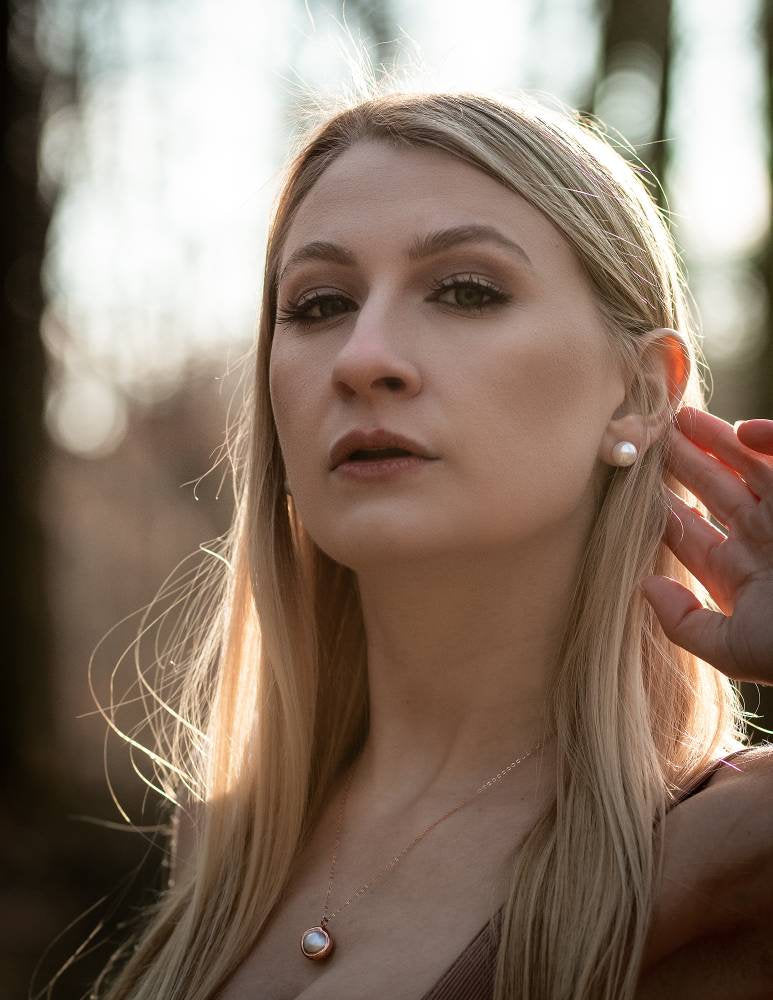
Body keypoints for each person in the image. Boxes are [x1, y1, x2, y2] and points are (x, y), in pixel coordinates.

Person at [91, 86, 773, 1000]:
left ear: (640, 393)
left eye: (465, 290)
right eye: (319, 304)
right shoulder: (221, 852)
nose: (363, 357)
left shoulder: (736, 845)